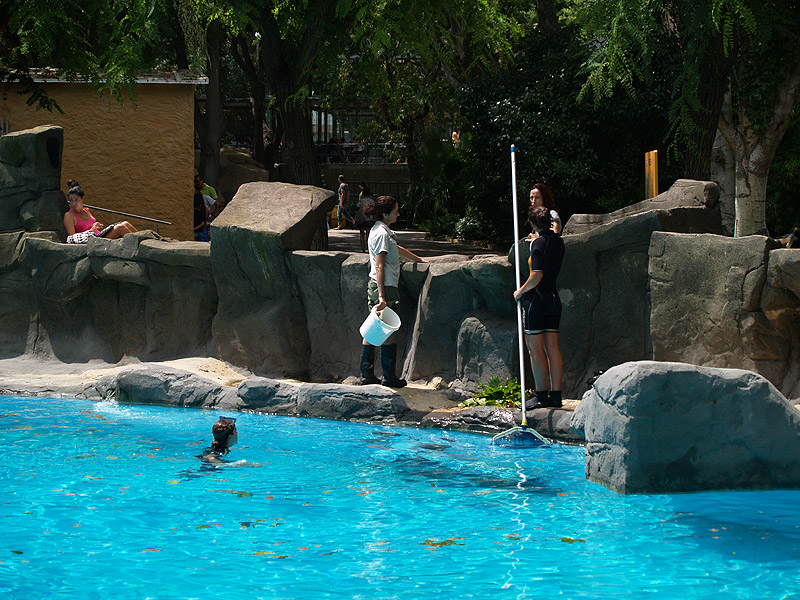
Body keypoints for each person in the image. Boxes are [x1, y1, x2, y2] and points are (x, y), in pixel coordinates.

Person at [360, 196, 428, 387]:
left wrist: (418, 259)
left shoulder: (378, 230)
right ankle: (388, 377)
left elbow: (395, 249)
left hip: (375, 285)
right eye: (396, 210)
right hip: (386, 287)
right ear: (385, 213)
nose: (398, 213)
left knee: (373, 329)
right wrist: (382, 296)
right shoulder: (382, 234)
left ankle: (367, 374)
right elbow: (380, 265)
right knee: (387, 330)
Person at [513, 205, 565, 408]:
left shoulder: (537, 245)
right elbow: (550, 240)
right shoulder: (558, 242)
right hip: (553, 299)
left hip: (537, 300)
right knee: (553, 348)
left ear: (533, 224)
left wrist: (520, 291)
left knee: (535, 351)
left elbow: (536, 275)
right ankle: (556, 395)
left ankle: (541, 395)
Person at [64, 185, 136, 243]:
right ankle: (139, 248)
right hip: (91, 241)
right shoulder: (69, 215)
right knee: (120, 228)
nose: (74, 203)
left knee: (125, 223)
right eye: (71, 200)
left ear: (82, 198)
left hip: (98, 235)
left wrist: (97, 226)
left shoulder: (86, 210)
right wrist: (91, 230)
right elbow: (72, 238)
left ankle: (144, 243)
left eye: (76, 200)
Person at [355, 183, 374, 253]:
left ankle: (363, 248)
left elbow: (358, 206)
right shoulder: (372, 201)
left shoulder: (361, 201)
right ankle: (369, 248)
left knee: (362, 234)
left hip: (361, 218)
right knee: (368, 234)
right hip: (369, 219)